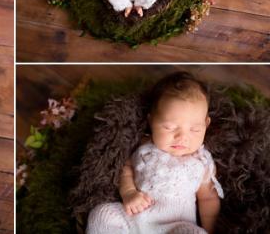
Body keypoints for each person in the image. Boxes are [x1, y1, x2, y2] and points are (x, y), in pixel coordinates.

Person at [86, 72, 223, 233]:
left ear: (206, 124)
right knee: (102, 214)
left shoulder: (202, 162)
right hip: (134, 219)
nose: (182, 137)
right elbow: (126, 169)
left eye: (195, 129)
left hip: (175, 226)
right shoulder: (145, 147)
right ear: (151, 121)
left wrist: (210, 230)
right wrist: (129, 193)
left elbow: (208, 199)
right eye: (169, 127)